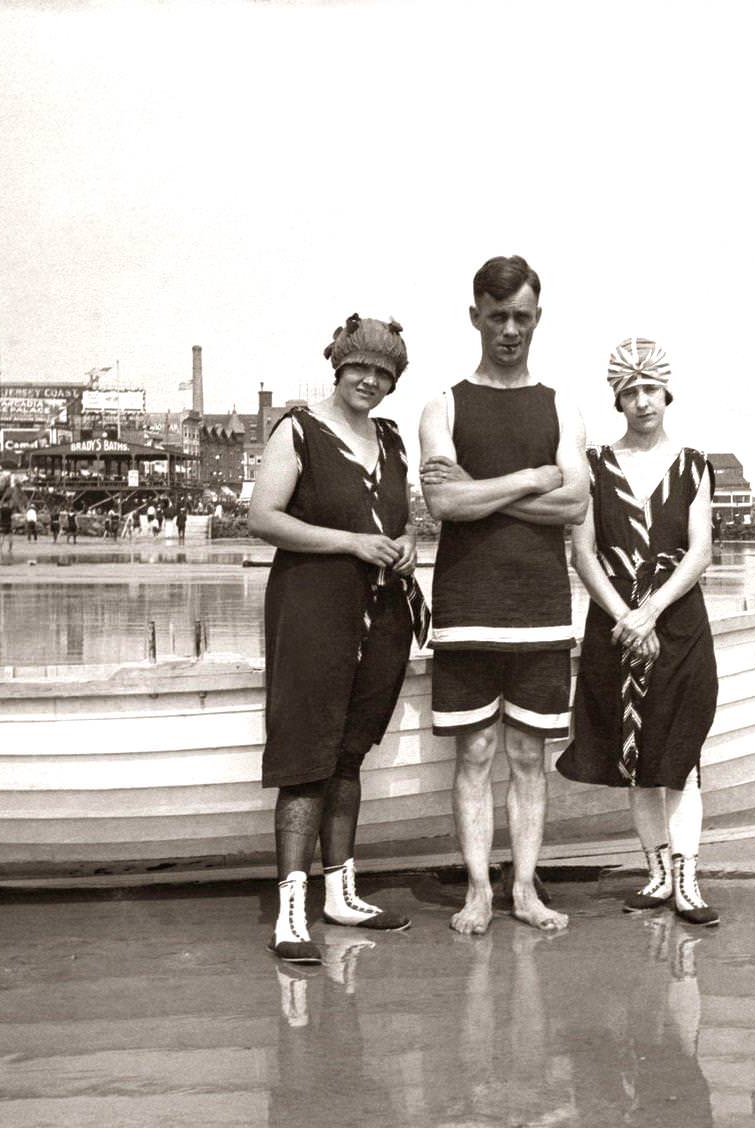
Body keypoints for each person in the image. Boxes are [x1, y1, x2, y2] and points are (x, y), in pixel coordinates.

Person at [249, 314, 428, 963]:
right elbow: (262, 517)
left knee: (348, 756)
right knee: (305, 760)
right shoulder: (298, 429)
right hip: (312, 609)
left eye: (384, 373)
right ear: (339, 366)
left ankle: (342, 896)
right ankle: (291, 914)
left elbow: (402, 522)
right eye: (361, 368)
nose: (370, 381)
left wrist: (405, 545)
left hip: (381, 615)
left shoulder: (392, 440)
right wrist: (352, 542)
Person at [419, 255, 588, 934]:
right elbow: (442, 503)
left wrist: (480, 491)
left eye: (521, 317)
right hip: (466, 611)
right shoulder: (444, 405)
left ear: (537, 318)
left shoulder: (561, 406)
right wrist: (530, 478)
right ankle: (478, 893)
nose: (509, 330)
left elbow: (575, 504)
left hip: (541, 612)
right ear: (475, 318)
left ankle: (524, 891)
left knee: (527, 756)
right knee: (475, 753)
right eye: (497, 317)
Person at [555, 339, 720, 926]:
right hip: (614, 625)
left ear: (667, 394)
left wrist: (649, 612)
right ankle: (656, 874)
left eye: (651, 389)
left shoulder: (694, 464)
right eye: (630, 392)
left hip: (679, 627)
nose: (642, 401)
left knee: (681, 756)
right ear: (618, 400)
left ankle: (688, 880)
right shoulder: (595, 467)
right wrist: (626, 617)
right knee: (637, 757)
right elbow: (583, 554)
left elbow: (700, 553)